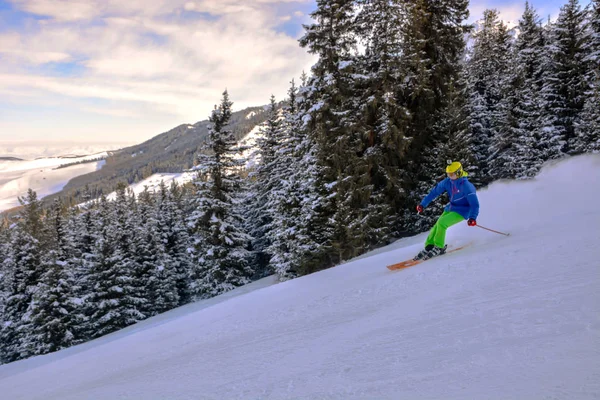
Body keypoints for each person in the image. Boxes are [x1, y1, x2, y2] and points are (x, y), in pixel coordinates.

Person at [414, 161, 479, 260]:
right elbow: (434, 192)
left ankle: (439, 247)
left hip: (463, 211)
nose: (449, 176)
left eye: (451, 174)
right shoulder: (448, 182)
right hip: (451, 208)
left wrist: (473, 217)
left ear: (458, 172)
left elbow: (474, 204)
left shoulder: (467, 186)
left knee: (442, 223)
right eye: (448, 174)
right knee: (437, 225)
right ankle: (430, 245)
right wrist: (423, 204)